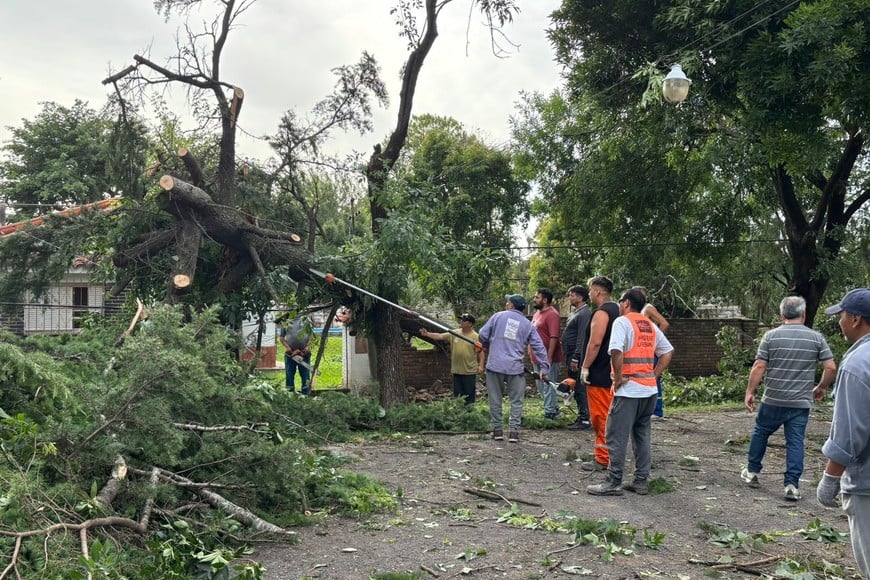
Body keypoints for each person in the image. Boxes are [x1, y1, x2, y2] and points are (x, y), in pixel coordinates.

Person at [741, 295, 836, 501]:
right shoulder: (816, 338)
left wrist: (750, 391)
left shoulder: (770, 337)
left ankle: (752, 471)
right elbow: (830, 367)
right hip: (800, 402)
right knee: (795, 442)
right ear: (803, 314)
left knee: (761, 432)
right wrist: (821, 387)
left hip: (773, 399)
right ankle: (792, 485)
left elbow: (759, 366)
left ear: (782, 314)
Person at [587, 287, 674, 495]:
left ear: (626, 303)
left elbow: (616, 350)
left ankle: (613, 482)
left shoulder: (622, 322)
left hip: (628, 391)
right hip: (649, 391)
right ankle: (641, 481)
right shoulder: (649, 325)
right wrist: (654, 375)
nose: (618, 305)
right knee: (642, 435)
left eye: (620, 301)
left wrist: (617, 378)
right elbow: (667, 352)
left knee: (616, 435)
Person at [817, 288, 870, 577]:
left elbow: (850, 432)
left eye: (841, 315)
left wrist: (830, 478)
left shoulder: (857, 365)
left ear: (855, 319)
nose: (838, 321)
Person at [478, 294, 549, 443]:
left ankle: (497, 431)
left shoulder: (497, 317)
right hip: (515, 367)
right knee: (516, 400)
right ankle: (513, 432)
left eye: (507, 302)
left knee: (495, 399)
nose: (506, 304)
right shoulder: (528, 324)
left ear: (511, 305)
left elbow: (482, 335)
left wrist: (488, 342)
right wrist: (544, 368)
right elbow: (538, 346)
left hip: (495, 365)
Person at [580, 276, 620, 471]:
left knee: (600, 417)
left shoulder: (602, 313)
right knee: (611, 416)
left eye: (589, 291)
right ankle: (609, 454)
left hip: (599, 374)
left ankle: (603, 458)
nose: (589, 294)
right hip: (614, 373)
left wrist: (585, 366)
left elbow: (595, 343)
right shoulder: (620, 311)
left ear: (597, 291)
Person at [420, 313, 485, 404]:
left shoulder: (475, 337)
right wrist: (427, 334)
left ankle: (469, 413)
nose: (461, 322)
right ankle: (459, 413)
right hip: (456, 371)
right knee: (458, 395)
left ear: (470, 324)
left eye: (463, 320)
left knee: (469, 395)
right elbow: (440, 336)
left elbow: (481, 352)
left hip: (469, 371)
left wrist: (481, 366)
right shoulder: (455, 333)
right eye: (461, 319)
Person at [636, 287, 670, 418]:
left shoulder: (648, 308)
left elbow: (664, 324)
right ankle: (646, 408)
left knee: (654, 377)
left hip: (652, 350)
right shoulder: (637, 311)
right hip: (643, 350)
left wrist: (654, 341)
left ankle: (657, 411)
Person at [562, 285, 592, 430]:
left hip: (577, 357)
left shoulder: (585, 313)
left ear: (580, 297)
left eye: (572, 295)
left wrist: (576, 357)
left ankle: (585, 419)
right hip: (570, 355)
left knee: (580, 388)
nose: (570, 298)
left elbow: (582, 337)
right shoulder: (575, 312)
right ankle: (581, 416)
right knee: (574, 386)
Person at [531, 288, 564, 419]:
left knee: (548, 384)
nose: (534, 299)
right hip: (536, 357)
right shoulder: (536, 314)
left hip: (549, 358)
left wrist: (548, 357)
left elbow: (554, 337)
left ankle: (550, 412)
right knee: (540, 385)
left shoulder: (552, 315)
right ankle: (554, 409)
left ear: (545, 300)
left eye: (537, 297)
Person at [278, 314, 313, 395]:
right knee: (289, 374)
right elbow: (281, 337)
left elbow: (311, 335)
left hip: (304, 354)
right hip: (290, 354)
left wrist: (308, 346)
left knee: (305, 374)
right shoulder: (286, 321)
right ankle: (290, 394)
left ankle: (305, 394)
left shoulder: (306, 320)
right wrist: (287, 347)